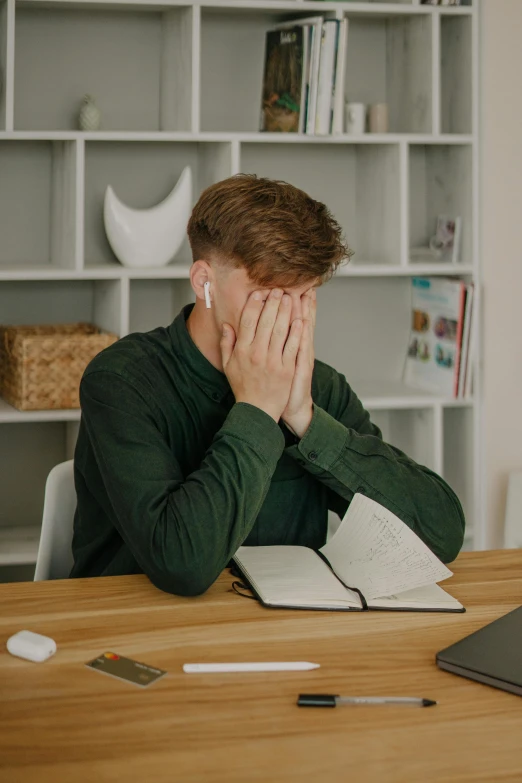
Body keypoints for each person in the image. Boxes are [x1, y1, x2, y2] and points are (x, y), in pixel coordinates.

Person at [70, 175, 465, 595]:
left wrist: (304, 420)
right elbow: (182, 566)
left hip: (285, 636)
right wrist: (257, 410)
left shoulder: (318, 385)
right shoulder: (120, 382)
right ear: (204, 281)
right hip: (131, 626)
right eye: (271, 295)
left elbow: (441, 536)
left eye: (306, 295)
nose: (292, 318)